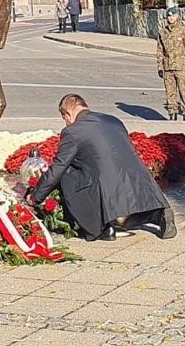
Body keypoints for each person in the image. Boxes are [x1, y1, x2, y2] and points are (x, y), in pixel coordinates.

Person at [24, 93, 175, 242]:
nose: (66, 123)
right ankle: (159, 214)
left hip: (104, 187)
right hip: (138, 180)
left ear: (68, 113)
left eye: (65, 119)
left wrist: (36, 196)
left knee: (67, 172)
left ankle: (102, 226)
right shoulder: (113, 121)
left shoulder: (73, 131)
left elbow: (58, 166)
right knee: (102, 168)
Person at [155, 5, 185, 122]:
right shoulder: (163, 32)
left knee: (184, 91)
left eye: (173, 16)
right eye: (169, 16)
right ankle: (172, 112)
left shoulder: (184, 31)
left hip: (181, 67)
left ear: (177, 16)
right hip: (168, 67)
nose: (171, 18)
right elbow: (160, 50)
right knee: (170, 92)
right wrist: (160, 67)